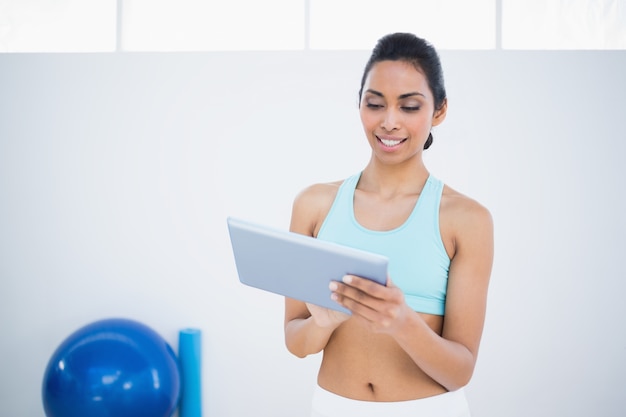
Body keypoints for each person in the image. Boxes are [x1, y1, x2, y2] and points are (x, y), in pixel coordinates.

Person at [283, 32, 494, 417]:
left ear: (439, 111)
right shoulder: (314, 204)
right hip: (332, 407)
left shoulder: (467, 219)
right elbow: (295, 341)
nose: (389, 122)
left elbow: (461, 370)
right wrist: (323, 322)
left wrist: (402, 321)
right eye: (375, 104)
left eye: (410, 107)